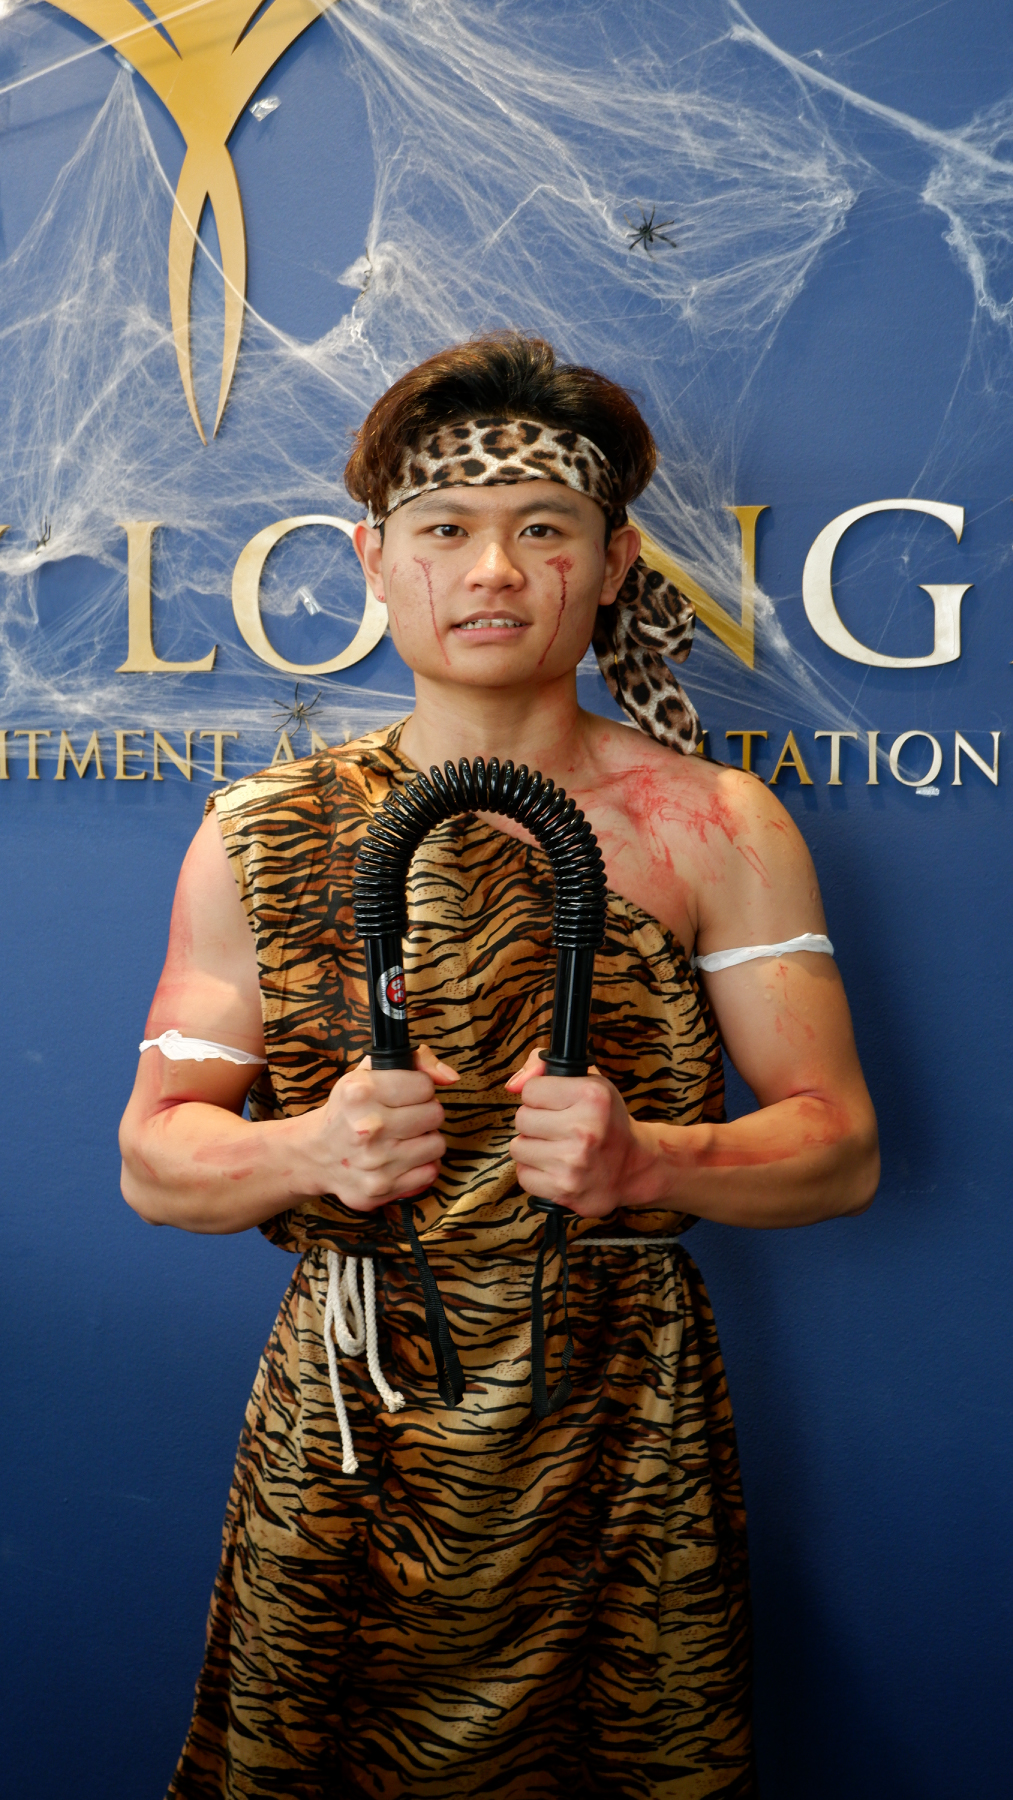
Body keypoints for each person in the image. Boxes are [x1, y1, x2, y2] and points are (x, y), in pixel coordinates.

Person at [120, 333, 879, 1800]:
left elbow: (837, 1146)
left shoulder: (719, 824)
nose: (493, 571)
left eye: (542, 529)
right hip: (354, 1416)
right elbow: (157, 1156)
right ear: (374, 560)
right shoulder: (260, 830)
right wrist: (305, 1149)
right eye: (445, 530)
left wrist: (652, 1160)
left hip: (617, 1417)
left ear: (612, 562)